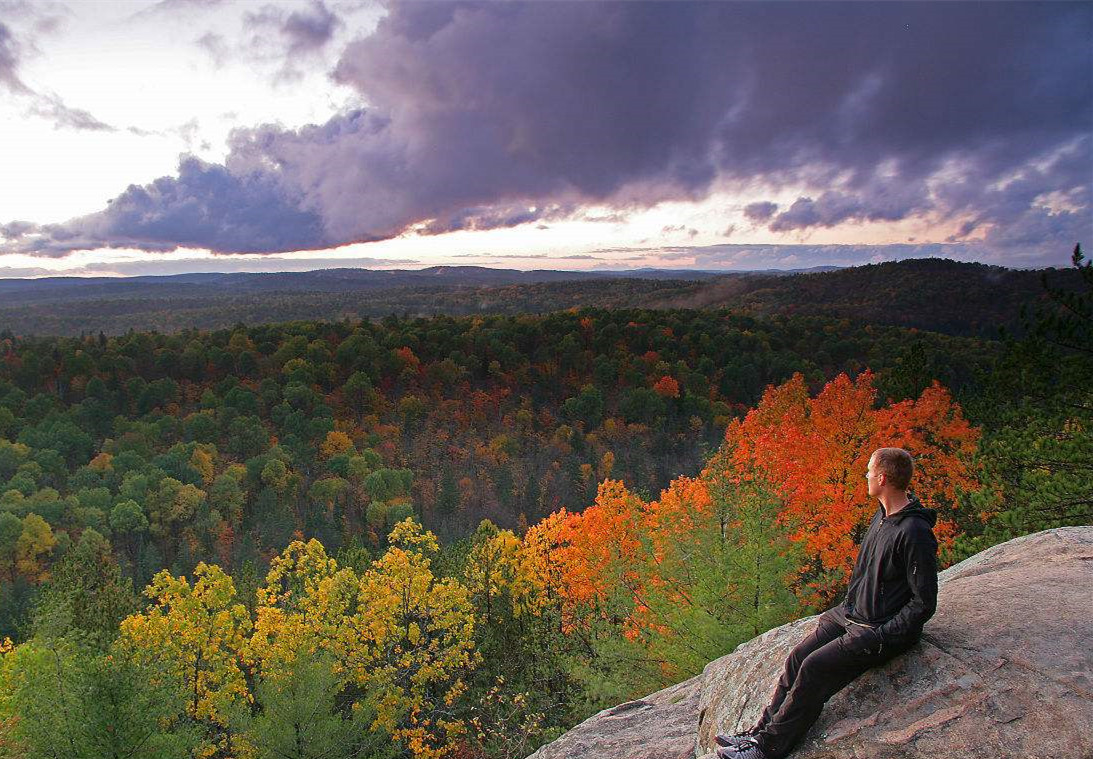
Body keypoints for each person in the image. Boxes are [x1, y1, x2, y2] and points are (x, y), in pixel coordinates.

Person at [715, 447, 939, 759]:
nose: (866, 477)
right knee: (797, 657)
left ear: (883, 478)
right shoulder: (883, 517)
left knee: (813, 668)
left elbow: (923, 602)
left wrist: (883, 635)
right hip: (853, 615)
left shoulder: (914, 532)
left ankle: (767, 750)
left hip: (875, 630)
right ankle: (758, 734)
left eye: (869, 472)